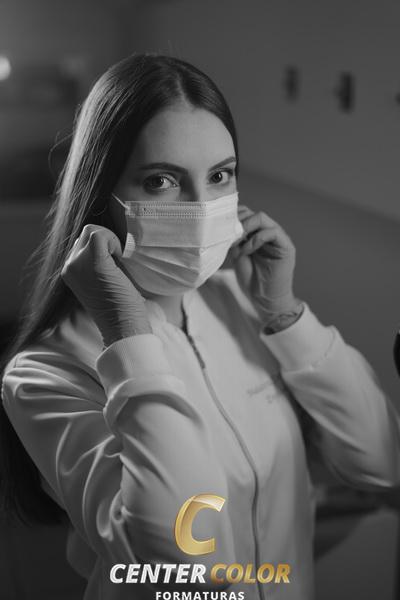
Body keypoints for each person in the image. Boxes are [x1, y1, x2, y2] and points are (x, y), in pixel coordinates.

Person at [1, 52, 400, 600]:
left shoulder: (242, 303)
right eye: (161, 180)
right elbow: (187, 563)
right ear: (101, 197)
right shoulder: (45, 373)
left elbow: (379, 461)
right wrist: (127, 331)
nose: (201, 206)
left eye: (219, 176)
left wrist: (286, 313)